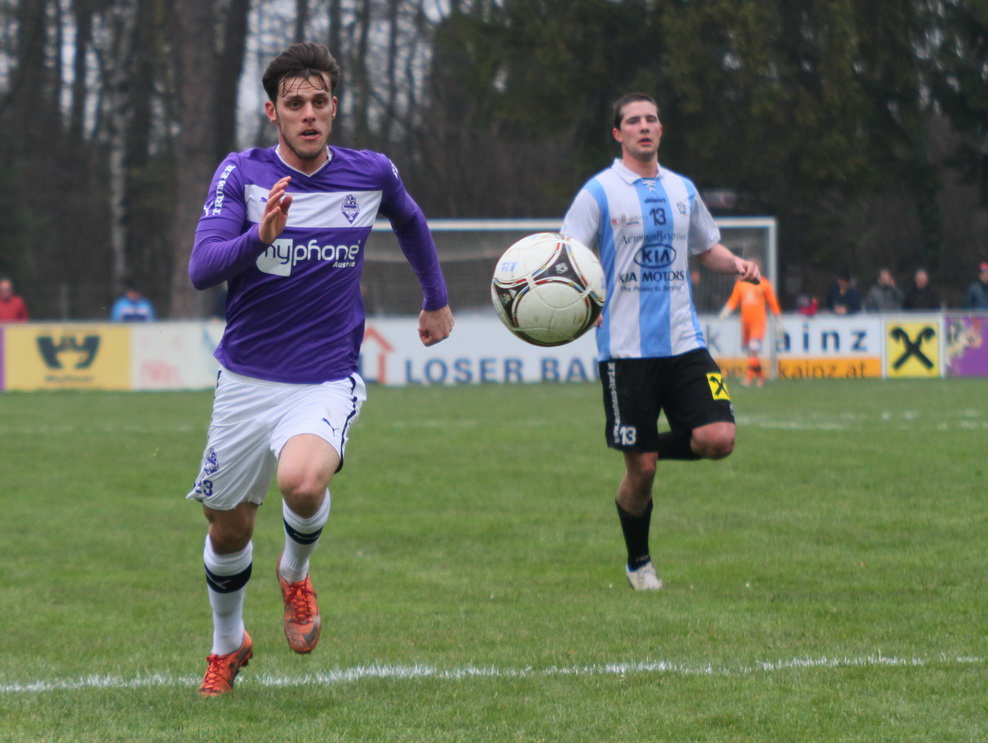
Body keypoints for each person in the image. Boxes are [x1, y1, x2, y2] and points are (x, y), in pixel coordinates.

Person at [186, 42, 453, 697]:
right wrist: (259, 237)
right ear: (273, 112)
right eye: (294, 104)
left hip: (325, 375)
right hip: (246, 380)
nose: (308, 114)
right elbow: (201, 269)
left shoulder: (370, 173)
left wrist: (435, 297)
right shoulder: (242, 174)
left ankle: (295, 574)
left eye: (319, 102)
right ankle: (228, 643)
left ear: (334, 106)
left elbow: (412, 221)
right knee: (228, 528)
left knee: (302, 484)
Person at [560, 92, 760, 592]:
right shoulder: (599, 192)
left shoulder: (682, 189)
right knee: (642, 472)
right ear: (618, 134)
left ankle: (640, 446)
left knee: (718, 439)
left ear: (661, 129)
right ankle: (639, 563)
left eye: (651, 119)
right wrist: (586, 300)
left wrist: (736, 264)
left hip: (685, 342)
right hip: (625, 353)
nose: (644, 126)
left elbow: (707, 248)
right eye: (633, 121)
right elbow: (567, 255)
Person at [719, 259, 782, 387]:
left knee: (753, 349)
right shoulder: (740, 284)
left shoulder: (764, 284)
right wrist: (726, 311)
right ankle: (761, 377)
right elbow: (734, 300)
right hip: (745, 322)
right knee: (751, 352)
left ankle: (748, 378)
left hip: (758, 322)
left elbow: (772, 301)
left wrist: (777, 317)